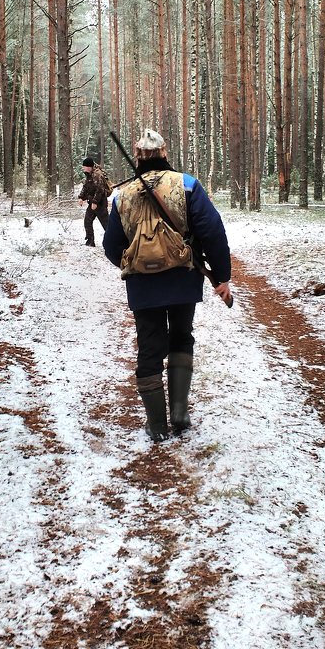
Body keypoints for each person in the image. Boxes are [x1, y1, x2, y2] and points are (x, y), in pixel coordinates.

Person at [103, 129, 231, 442]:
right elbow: (212, 231)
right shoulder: (186, 184)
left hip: (142, 285)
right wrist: (222, 276)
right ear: (164, 151)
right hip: (183, 278)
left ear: (137, 157)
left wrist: (135, 263)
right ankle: (179, 415)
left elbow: (110, 245)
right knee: (181, 337)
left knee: (149, 347)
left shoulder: (123, 195)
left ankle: (157, 425)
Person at [78, 157, 110, 247]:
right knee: (87, 221)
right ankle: (90, 241)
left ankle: (114, 242)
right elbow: (86, 187)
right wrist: (81, 197)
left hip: (100, 204)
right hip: (92, 203)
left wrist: (95, 202)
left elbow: (100, 190)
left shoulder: (97, 175)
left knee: (107, 225)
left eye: (84, 166)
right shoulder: (89, 175)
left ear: (89, 167)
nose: (83, 168)